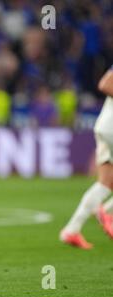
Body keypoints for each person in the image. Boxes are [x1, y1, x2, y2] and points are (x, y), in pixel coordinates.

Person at [60, 65, 113, 249]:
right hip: (111, 127)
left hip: (105, 126)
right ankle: (106, 213)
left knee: (106, 182)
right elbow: (106, 84)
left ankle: (72, 230)